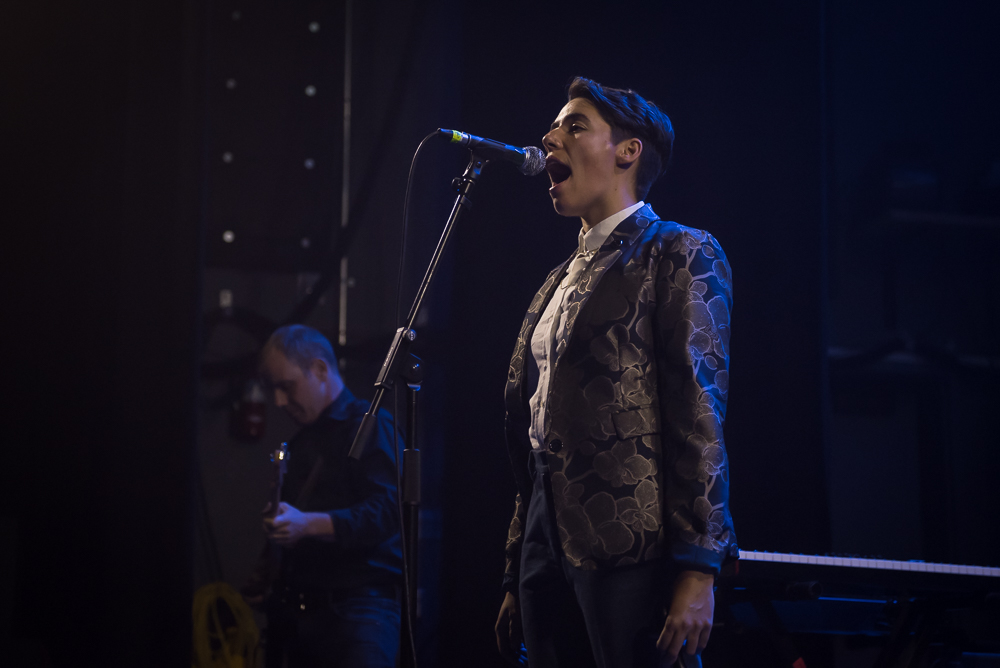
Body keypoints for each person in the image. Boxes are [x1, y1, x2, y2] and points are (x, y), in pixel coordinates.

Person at [494, 78, 737, 668]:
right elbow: (539, 433)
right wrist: (516, 569)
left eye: (574, 125)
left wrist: (699, 568)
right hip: (546, 544)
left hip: (630, 540)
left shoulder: (678, 251)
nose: (550, 137)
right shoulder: (556, 281)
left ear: (628, 151)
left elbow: (698, 412)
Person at [251, 324, 402, 668]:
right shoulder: (304, 441)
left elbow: (391, 509)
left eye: (287, 387)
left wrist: (308, 524)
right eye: (274, 390)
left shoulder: (371, 426)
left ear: (319, 369)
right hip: (301, 616)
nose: (278, 401)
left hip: (360, 613)